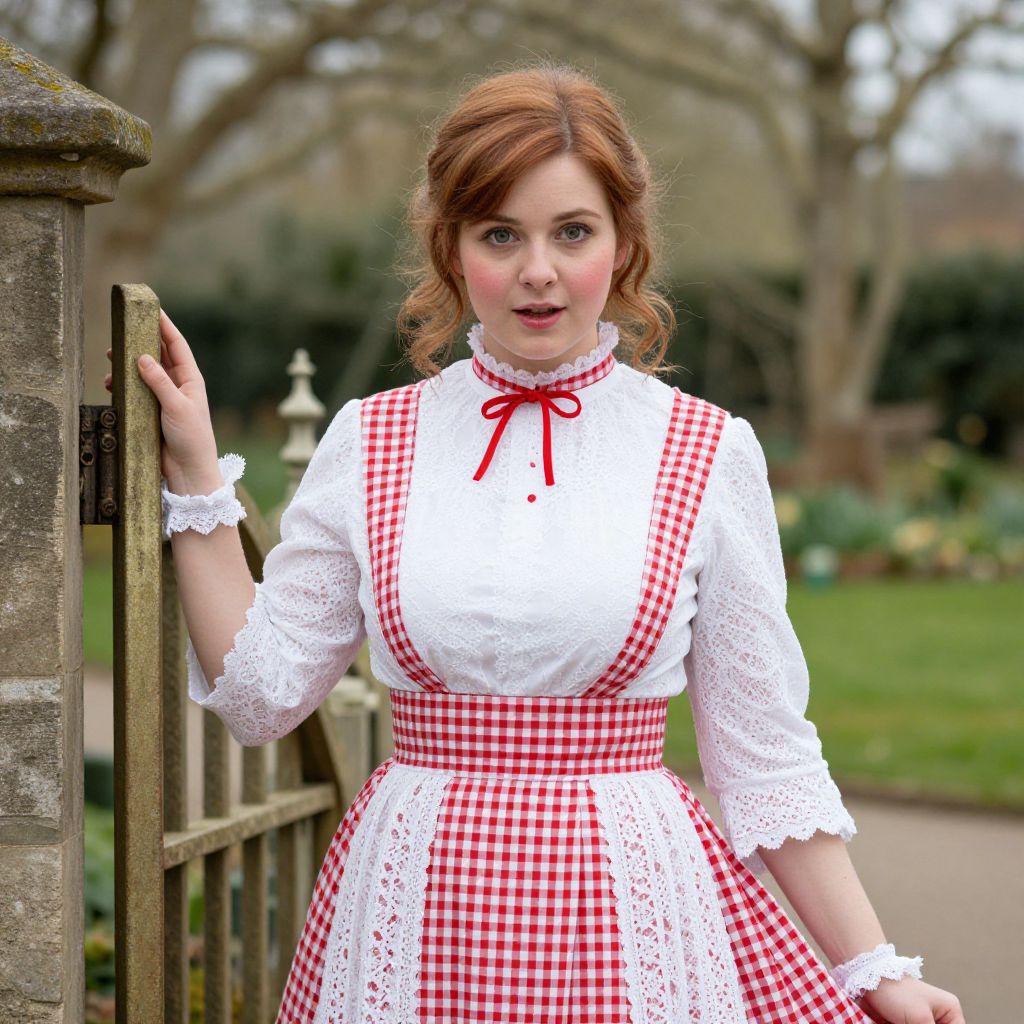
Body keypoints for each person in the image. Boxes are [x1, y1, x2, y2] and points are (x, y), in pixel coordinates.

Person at [114, 60, 966, 1024]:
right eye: (500, 234)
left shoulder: (704, 450)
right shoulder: (373, 438)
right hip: (415, 907)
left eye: (573, 232)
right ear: (452, 248)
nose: (537, 272)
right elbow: (264, 692)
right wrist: (193, 478)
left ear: (624, 242)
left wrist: (877, 967)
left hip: (630, 910)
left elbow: (763, 756)